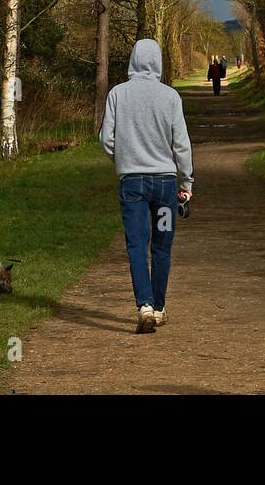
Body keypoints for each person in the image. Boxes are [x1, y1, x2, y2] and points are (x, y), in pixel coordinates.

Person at [99, 39, 194, 333]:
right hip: (165, 187)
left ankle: (145, 306)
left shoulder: (117, 94)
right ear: (158, 62)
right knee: (162, 246)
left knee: (137, 245)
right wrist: (187, 181)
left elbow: (106, 139)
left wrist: (125, 157)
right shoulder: (170, 97)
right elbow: (181, 144)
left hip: (133, 185)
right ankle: (160, 306)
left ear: (133, 60)